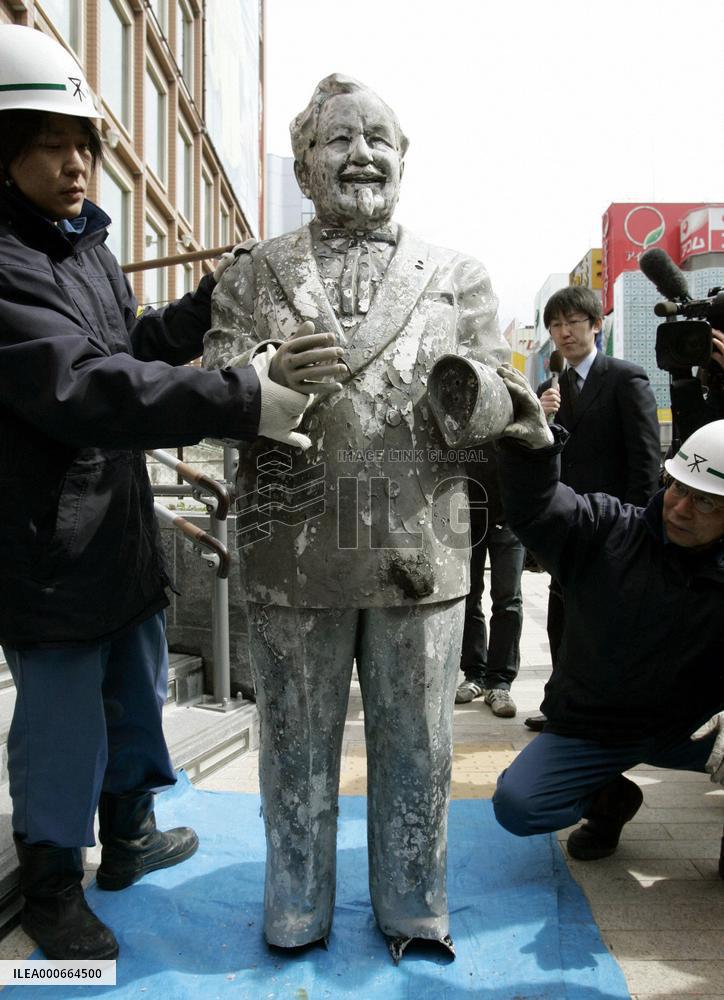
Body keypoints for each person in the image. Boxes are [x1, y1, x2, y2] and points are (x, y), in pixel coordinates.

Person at [0, 25, 344, 961]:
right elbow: (83, 386)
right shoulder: (6, 264)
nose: (75, 166)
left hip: (117, 532)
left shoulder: (83, 249)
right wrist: (243, 397)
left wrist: (203, 307)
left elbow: (130, 348)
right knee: (62, 726)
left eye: (84, 144)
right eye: (48, 144)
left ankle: (131, 837)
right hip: (47, 549)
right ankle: (51, 887)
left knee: (134, 697)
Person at [203, 73, 509, 959]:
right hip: (291, 539)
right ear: (304, 165)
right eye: (338, 140)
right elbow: (212, 376)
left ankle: (415, 905)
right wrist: (264, 371)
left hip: (421, 543)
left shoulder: (459, 276)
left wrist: (473, 391)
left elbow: (508, 398)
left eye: (379, 138)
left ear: (405, 160)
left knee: (417, 744)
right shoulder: (254, 272)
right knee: (294, 746)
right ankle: (295, 906)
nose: (361, 153)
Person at [489, 368, 724, 874]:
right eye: (678, 487)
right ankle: (608, 800)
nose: (681, 508)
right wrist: (533, 450)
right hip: (595, 726)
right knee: (520, 804)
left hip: (690, 728)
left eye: (705, 500)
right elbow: (541, 510)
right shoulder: (609, 530)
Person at [525, 285, 661, 731]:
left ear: (596, 324)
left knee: (610, 619)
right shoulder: (550, 388)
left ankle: (614, 709)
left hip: (615, 525)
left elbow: (645, 459)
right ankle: (560, 706)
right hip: (567, 525)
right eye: (555, 325)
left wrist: (637, 527)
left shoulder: (626, 377)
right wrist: (540, 422)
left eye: (572, 323)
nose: (563, 333)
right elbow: (540, 459)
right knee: (563, 617)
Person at [455, 450, 525, 718]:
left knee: (508, 599)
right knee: (468, 596)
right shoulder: (460, 409)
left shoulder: (513, 406)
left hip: (509, 516)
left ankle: (500, 682)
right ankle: (475, 675)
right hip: (464, 515)